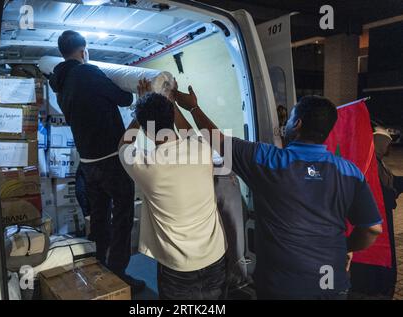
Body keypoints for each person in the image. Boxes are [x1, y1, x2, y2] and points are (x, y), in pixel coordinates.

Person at [174, 86, 384, 300]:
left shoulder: (267, 160)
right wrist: (345, 248)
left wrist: (193, 107)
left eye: (290, 119)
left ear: (298, 123)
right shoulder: (350, 172)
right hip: (330, 281)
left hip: (282, 286)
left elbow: (217, 140)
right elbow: (372, 229)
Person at [49, 30, 145, 292]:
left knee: (100, 216)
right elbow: (124, 98)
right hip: (111, 159)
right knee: (123, 214)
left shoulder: (59, 83)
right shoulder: (87, 72)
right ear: (83, 51)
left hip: (88, 163)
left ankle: (100, 263)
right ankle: (118, 271)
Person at [118, 80, 228, 300]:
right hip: (216, 255)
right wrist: (172, 102)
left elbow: (123, 144)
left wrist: (140, 112)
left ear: (146, 130)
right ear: (171, 117)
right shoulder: (202, 147)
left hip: (178, 267)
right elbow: (186, 130)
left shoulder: (145, 166)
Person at [350, 128, 403, 297]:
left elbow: (392, 181)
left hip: (382, 216)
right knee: (376, 250)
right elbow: (381, 191)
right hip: (377, 217)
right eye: (388, 145)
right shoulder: (371, 165)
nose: (390, 149)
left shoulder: (378, 162)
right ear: (381, 145)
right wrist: (392, 192)